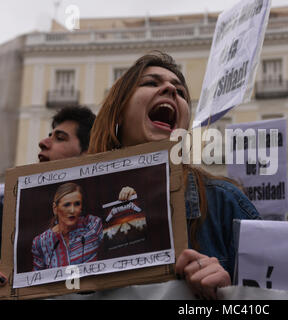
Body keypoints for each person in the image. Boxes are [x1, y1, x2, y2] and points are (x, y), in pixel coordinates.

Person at [88, 51, 261, 299]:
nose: (170, 89)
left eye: (180, 91)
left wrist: (231, 294)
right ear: (118, 112)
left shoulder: (225, 203)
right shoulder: (80, 206)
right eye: (151, 83)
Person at [0, 106, 96, 285]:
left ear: (88, 153)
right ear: (55, 207)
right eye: (49, 135)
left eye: (59, 138)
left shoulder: (95, 226)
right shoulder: (5, 203)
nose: (43, 142)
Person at [31, 182, 136, 270]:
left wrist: (131, 196)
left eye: (77, 204)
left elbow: (125, 236)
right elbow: (38, 280)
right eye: (67, 205)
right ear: (55, 208)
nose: (72, 210)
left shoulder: (92, 225)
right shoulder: (40, 242)